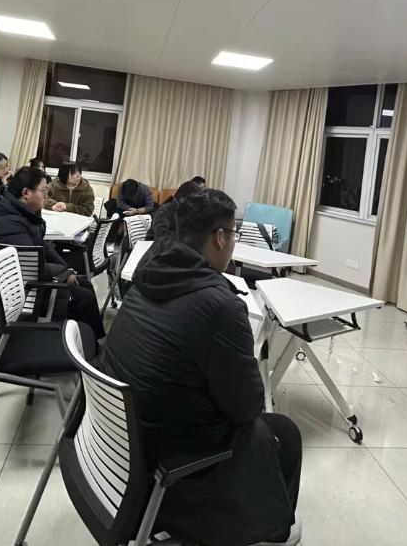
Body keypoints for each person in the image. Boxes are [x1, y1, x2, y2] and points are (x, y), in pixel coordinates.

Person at [97, 189, 301, 546]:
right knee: (283, 432)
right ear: (220, 238)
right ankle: (265, 530)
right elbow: (247, 408)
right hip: (169, 468)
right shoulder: (221, 306)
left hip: (116, 449)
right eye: (234, 234)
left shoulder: (147, 274)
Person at [0, 166, 106, 341]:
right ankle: (80, 345)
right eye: (44, 191)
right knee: (84, 298)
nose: (46, 195)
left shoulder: (21, 211)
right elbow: (31, 267)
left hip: (22, 276)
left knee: (84, 285)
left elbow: (41, 244)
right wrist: (62, 272)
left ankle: (90, 343)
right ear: (26, 193)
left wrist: (66, 269)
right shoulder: (9, 223)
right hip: (15, 288)